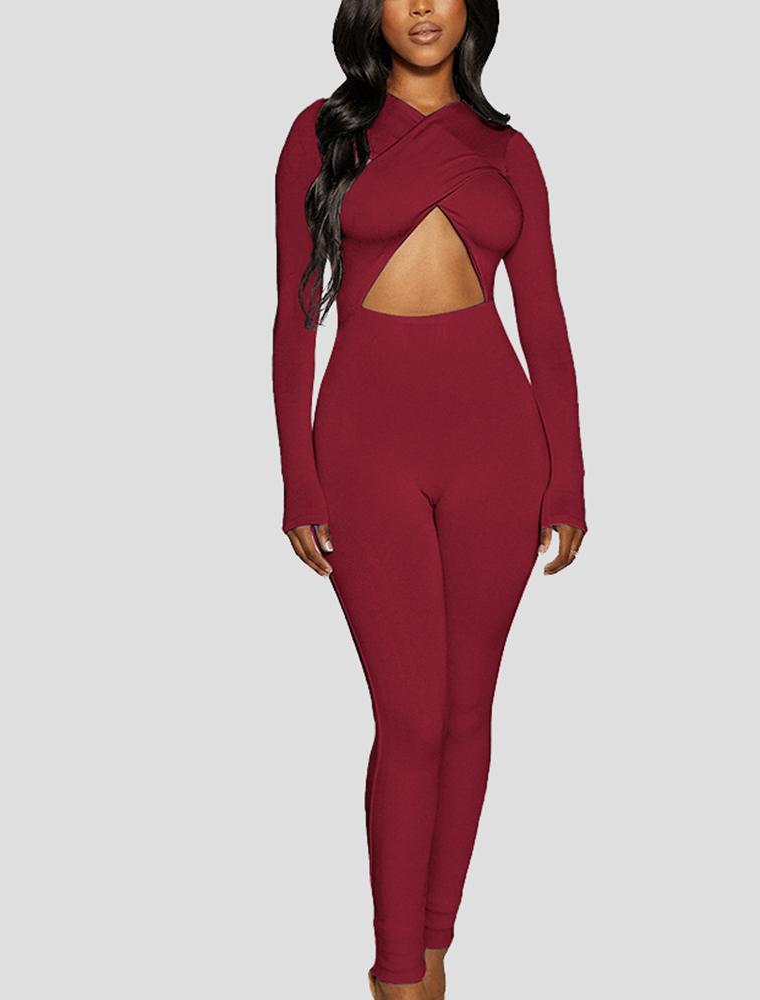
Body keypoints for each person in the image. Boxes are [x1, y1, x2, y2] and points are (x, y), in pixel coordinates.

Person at [271, 2, 588, 996]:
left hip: (500, 448)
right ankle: (396, 971)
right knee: (408, 716)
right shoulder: (323, 133)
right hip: (365, 450)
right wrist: (297, 475)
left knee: (465, 710)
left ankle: (438, 939)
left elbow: (543, 319)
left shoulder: (509, 151)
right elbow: (293, 315)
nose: (421, 6)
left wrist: (569, 474)